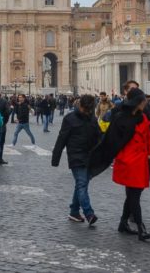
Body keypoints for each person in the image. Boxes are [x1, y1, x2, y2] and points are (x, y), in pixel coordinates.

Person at [89, 88, 150, 242]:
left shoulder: (142, 117)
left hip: (141, 160)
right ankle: (141, 229)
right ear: (137, 102)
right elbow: (112, 140)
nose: (145, 103)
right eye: (143, 101)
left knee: (133, 194)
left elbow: (149, 136)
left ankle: (123, 223)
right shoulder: (121, 118)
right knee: (134, 195)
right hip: (129, 161)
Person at [51, 94, 100, 226]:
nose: (88, 112)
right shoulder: (69, 118)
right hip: (76, 157)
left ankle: (74, 211)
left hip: (90, 157)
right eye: (87, 109)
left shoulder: (92, 119)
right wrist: (55, 158)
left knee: (80, 185)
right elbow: (62, 138)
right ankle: (89, 214)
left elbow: (99, 137)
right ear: (81, 106)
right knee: (82, 184)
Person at [0, 87, 11, 165]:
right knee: (0, 143)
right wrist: (4, 121)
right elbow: (8, 112)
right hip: (1, 124)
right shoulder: (4, 101)